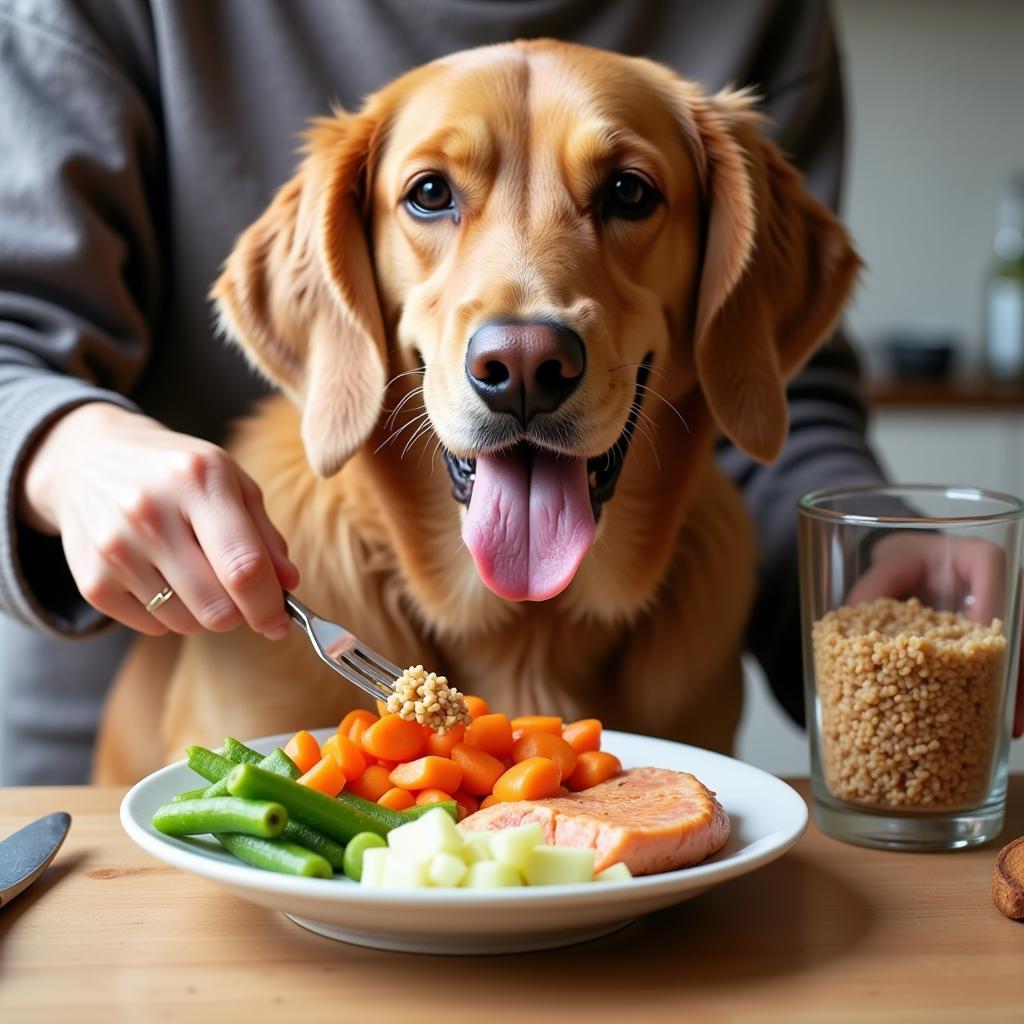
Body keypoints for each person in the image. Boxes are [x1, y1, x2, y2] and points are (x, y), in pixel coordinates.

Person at [1, 0, 1016, 786]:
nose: (524, 335)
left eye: (625, 195)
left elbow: (765, 378)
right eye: (430, 196)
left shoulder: (766, 11)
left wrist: (871, 566)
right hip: (95, 777)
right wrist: (66, 446)